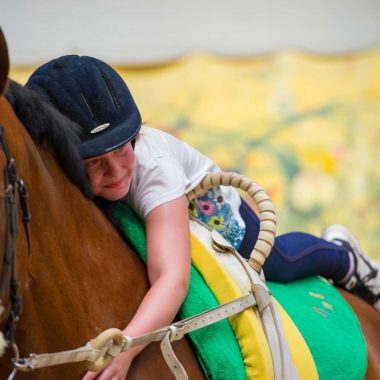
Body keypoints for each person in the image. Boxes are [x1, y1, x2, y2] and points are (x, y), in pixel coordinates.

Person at [26, 55, 380, 380]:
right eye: (92, 163)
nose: (117, 171)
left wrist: (127, 349)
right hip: (153, 213)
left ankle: (344, 256)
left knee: (278, 263)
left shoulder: (153, 166)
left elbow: (172, 279)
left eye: (121, 148)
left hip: (211, 214)